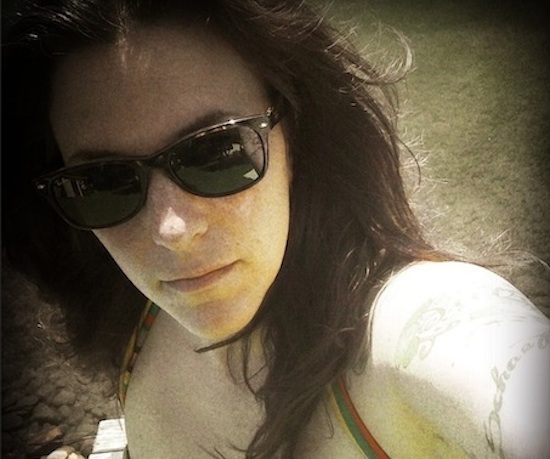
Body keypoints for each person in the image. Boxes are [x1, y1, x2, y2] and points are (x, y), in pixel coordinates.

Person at [2, 0, 549, 457]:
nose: (170, 228)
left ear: (298, 138)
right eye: (102, 183)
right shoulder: (134, 316)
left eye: (217, 151)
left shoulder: (406, 334)